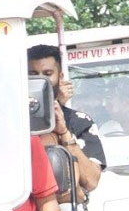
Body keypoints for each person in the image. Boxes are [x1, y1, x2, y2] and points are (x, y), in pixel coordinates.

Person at [26, 43, 103, 192]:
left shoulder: (80, 121)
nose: (41, 81)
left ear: (60, 77)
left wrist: (64, 134)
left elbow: (91, 181)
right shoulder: (12, 122)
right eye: (33, 75)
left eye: (47, 74)